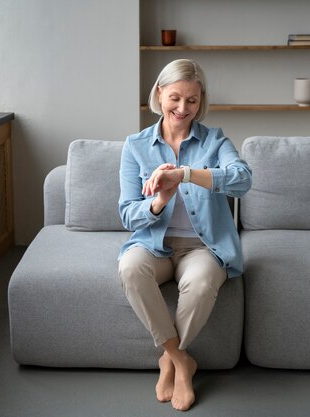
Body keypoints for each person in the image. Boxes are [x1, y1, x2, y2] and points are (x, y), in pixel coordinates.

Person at [117, 59, 252, 411]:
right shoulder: (135, 146)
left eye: (191, 100)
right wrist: (160, 200)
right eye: (175, 97)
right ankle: (180, 361)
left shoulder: (215, 140)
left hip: (203, 247)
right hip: (153, 245)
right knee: (130, 269)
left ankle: (168, 361)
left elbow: (242, 180)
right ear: (159, 93)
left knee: (202, 283)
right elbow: (127, 213)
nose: (182, 108)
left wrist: (186, 174)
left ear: (201, 100)